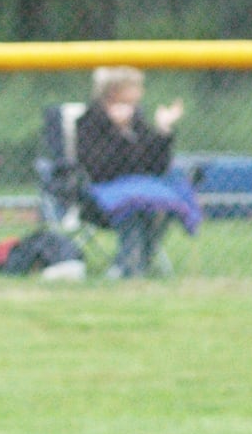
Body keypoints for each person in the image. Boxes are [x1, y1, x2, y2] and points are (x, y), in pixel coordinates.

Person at [75, 66, 195, 279]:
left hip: (141, 190)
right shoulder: (89, 122)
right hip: (100, 196)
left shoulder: (137, 120)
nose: (141, 91)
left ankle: (135, 263)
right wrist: (118, 132)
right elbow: (99, 169)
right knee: (134, 203)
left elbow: (156, 167)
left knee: (166, 199)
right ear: (115, 90)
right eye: (135, 86)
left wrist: (163, 130)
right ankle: (130, 266)